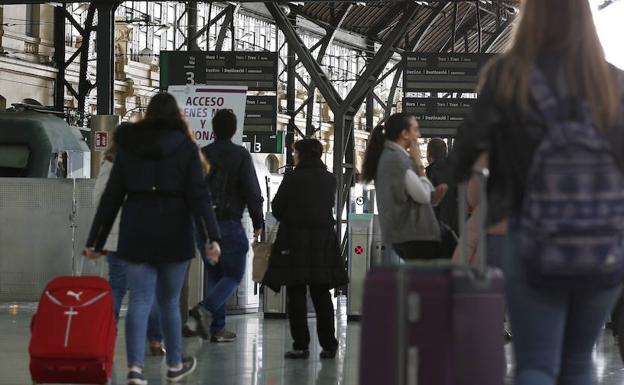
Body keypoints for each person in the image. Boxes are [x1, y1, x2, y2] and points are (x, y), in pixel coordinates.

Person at [451, 0, 624, 383]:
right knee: (579, 360)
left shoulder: (507, 78)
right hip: (602, 244)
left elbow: (462, 157)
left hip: (528, 236)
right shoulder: (613, 82)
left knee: (536, 364)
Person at [83, 92, 222, 385]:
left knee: (140, 300)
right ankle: (174, 365)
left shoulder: (129, 145)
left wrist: (96, 241)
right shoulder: (186, 148)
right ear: (176, 116)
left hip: (137, 229)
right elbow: (199, 197)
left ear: (149, 114)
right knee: (169, 301)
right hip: (175, 231)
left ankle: (135, 369)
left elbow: (111, 197)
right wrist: (212, 238)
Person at [262, 138, 349, 359]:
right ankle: (329, 344)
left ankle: (301, 345)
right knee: (322, 294)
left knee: (296, 294)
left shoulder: (292, 178)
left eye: (294, 152)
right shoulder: (330, 179)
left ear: (302, 154)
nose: (293, 155)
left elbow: (277, 207)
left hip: (294, 242)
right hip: (322, 244)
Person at [187, 109, 264, 343]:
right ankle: (205, 309)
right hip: (229, 223)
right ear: (234, 130)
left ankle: (217, 329)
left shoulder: (202, 153)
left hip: (202, 225)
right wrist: (258, 221)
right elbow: (252, 190)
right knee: (233, 274)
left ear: (213, 128)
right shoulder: (240, 155)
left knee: (215, 275)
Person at [93, 141, 164, 356]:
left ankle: (108, 335)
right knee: (148, 291)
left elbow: (99, 201)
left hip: (116, 241)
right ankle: (154, 340)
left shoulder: (109, 167)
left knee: (116, 288)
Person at [362, 113, 449, 261]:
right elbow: (423, 196)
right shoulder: (398, 160)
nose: (419, 135)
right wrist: (418, 162)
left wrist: (432, 197)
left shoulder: (388, 156)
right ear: (404, 134)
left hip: (404, 234)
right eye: (415, 130)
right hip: (415, 235)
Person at [426, 138, 458, 234]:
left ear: (428, 154)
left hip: (438, 225)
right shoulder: (455, 169)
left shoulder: (431, 170)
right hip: (456, 224)